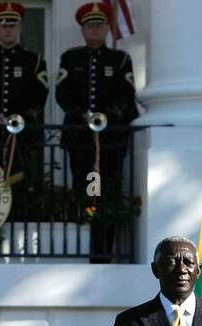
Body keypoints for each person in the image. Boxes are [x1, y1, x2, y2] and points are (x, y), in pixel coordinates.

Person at [56, 3, 137, 190]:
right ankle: (82, 215)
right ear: (83, 30)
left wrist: (108, 115)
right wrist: (81, 113)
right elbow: (62, 93)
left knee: (110, 182)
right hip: (79, 134)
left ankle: (106, 217)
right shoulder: (70, 58)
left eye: (99, 25)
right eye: (90, 26)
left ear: (107, 28)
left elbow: (126, 93)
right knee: (80, 181)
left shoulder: (120, 59)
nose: (94, 30)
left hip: (112, 135)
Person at [0, 2, 49, 187]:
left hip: (24, 139)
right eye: (4, 25)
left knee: (25, 189)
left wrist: (21, 117)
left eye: (12, 25)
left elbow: (40, 96)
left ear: (20, 27)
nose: (8, 30)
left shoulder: (33, 60)